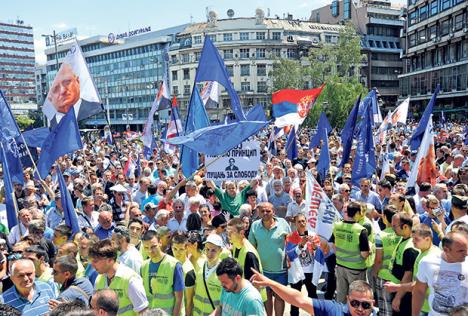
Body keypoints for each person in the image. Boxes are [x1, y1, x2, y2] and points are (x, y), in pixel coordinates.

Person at [250, 270, 377, 316]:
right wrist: (271, 283)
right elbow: (298, 299)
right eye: (355, 303)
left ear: (373, 303)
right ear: (348, 299)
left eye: (365, 305)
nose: (360, 309)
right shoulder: (333, 310)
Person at [383, 223, 441, 316]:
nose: (413, 241)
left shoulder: (430, 259)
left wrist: (397, 287)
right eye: (412, 238)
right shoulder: (422, 252)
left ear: (427, 239)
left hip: (427, 308)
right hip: (422, 305)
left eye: (416, 239)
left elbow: (420, 285)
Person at [249, 202, 291, 316]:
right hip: (263, 270)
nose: (265, 213)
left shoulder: (283, 223)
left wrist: (290, 258)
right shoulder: (255, 225)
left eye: (268, 211)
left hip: (280, 270)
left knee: (279, 297)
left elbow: (291, 242)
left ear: (274, 212)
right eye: (262, 211)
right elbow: (251, 247)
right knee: (266, 297)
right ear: (258, 212)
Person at [413, 231, 468, 316]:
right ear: (446, 249)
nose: (466, 253)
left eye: (466, 249)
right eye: (461, 251)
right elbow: (419, 291)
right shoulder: (427, 262)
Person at [90, 239, 148, 315]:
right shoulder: (99, 279)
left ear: (110, 260)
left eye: (95, 261)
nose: (92, 265)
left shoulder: (130, 280)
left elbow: (144, 311)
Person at [331, 201, 370, 303]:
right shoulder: (361, 230)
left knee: (341, 296)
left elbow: (332, 245)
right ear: (357, 213)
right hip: (356, 269)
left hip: (340, 266)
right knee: (356, 298)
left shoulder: (337, 226)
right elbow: (364, 254)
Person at [141, 230, 184, 315]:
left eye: (153, 246)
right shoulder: (144, 266)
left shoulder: (174, 265)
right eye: (146, 247)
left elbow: (179, 299)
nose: (150, 251)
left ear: (160, 242)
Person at [388, 212, 420, 315]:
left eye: (394, 226)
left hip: (404, 294)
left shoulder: (410, 248)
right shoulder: (405, 239)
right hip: (399, 289)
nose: (392, 228)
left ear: (405, 226)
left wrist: (398, 298)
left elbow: (408, 275)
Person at [373, 206, 400, 316]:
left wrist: (375, 273)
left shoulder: (380, 235)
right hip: (399, 278)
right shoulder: (402, 234)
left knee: (385, 309)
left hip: (384, 277)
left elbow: (378, 260)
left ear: (384, 217)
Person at [193, 234, 224, 316]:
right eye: (207, 249)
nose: (209, 253)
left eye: (213, 250)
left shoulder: (224, 270)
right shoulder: (199, 264)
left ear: (220, 250)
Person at [171, 232, 196, 316]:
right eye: (175, 249)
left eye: (181, 249)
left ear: (186, 249)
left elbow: (189, 302)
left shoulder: (189, 271)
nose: (178, 253)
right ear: (171, 248)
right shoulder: (171, 264)